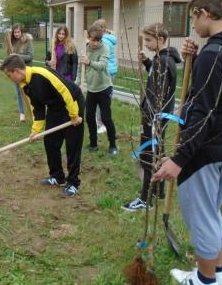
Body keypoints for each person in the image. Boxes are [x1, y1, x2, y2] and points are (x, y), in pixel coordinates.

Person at [152, 0, 222, 285]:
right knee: (211, 214)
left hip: (205, 151)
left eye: (193, 19)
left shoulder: (215, 54)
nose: (193, 27)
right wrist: (196, 59)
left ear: (205, 13)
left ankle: (206, 281)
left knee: (201, 221)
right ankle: (216, 273)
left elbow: (202, 113)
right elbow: (218, 92)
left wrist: (179, 159)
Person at [0, 54, 84, 197]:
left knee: (72, 145)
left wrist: (74, 116)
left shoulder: (42, 74)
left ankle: (73, 183)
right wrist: (36, 131)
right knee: (50, 141)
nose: (9, 79)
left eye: (9, 75)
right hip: (55, 108)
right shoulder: (25, 85)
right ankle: (57, 176)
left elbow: (66, 92)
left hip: (72, 102)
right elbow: (37, 108)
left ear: (17, 71)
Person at [122, 23, 181, 212]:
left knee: (148, 156)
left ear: (161, 40)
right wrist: (148, 63)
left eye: (148, 40)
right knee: (158, 153)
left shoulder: (163, 61)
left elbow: (158, 94)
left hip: (154, 117)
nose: (146, 43)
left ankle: (145, 199)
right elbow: (157, 78)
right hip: (159, 116)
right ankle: (158, 191)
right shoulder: (162, 60)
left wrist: (149, 117)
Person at [76, 25, 118, 156]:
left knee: (106, 118)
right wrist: (76, 84)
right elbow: (79, 68)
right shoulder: (85, 49)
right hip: (91, 89)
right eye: (93, 40)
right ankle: (93, 144)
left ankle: (113, 145)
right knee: (89, 117)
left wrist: (89, 62)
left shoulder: (104, 47)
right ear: (88, 38)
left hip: (104, 87)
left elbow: (102, 65)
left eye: (98, 40)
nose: (96, 43)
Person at [93, 19, 118, 134]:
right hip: (110, 71)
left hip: (106, 71)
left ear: (101, 30)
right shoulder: (109, 38)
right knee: (104, 98)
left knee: (102, 98)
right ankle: (101, 122)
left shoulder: (104, 41)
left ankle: (102, 124)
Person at [6, 23, 34, 122]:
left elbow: (30, 56)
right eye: (15, 32)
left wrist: (16, 56)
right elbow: (9, 56)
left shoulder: (28, 41)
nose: (17, 34)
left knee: (29, 92)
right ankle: (22, 113)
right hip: (16, 72)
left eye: (18, 32)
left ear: (21, 32)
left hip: (26, 71)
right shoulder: (12, 43)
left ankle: (34, 111)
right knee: (19, 92)